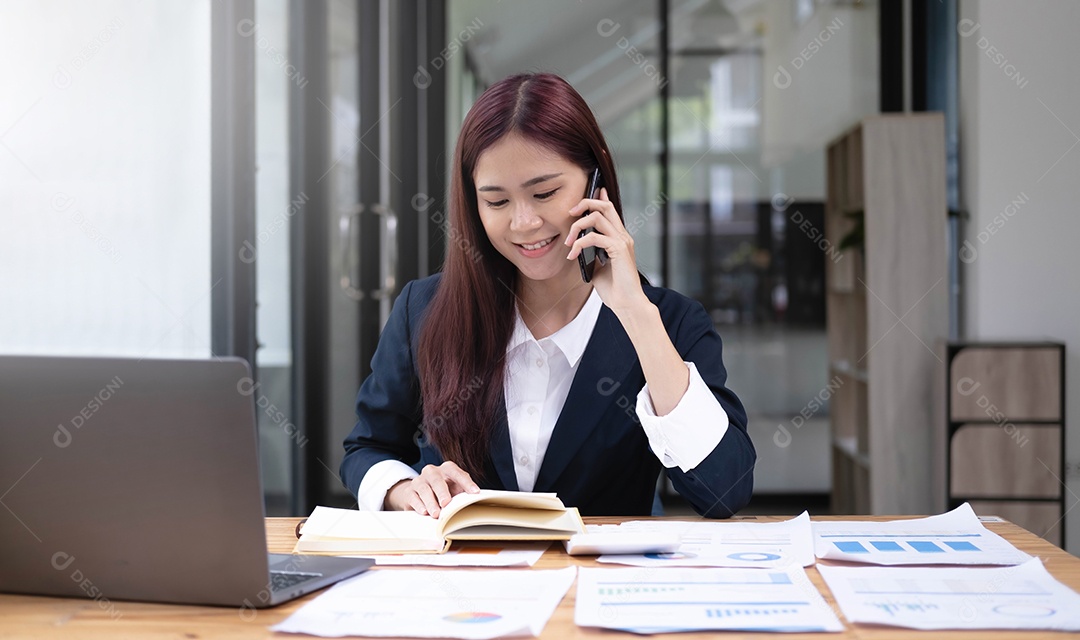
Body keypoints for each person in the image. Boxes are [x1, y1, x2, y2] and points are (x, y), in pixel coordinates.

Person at [340, 72, 755, 519]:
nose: (524, 223)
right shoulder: (423, 310)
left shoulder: (670, 322)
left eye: (544, 193)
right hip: (466, 579)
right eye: (496, 202)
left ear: (597, 184)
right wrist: (403, 488)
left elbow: (724, 490)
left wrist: (637, 314)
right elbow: (367, 447)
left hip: (599, 582)